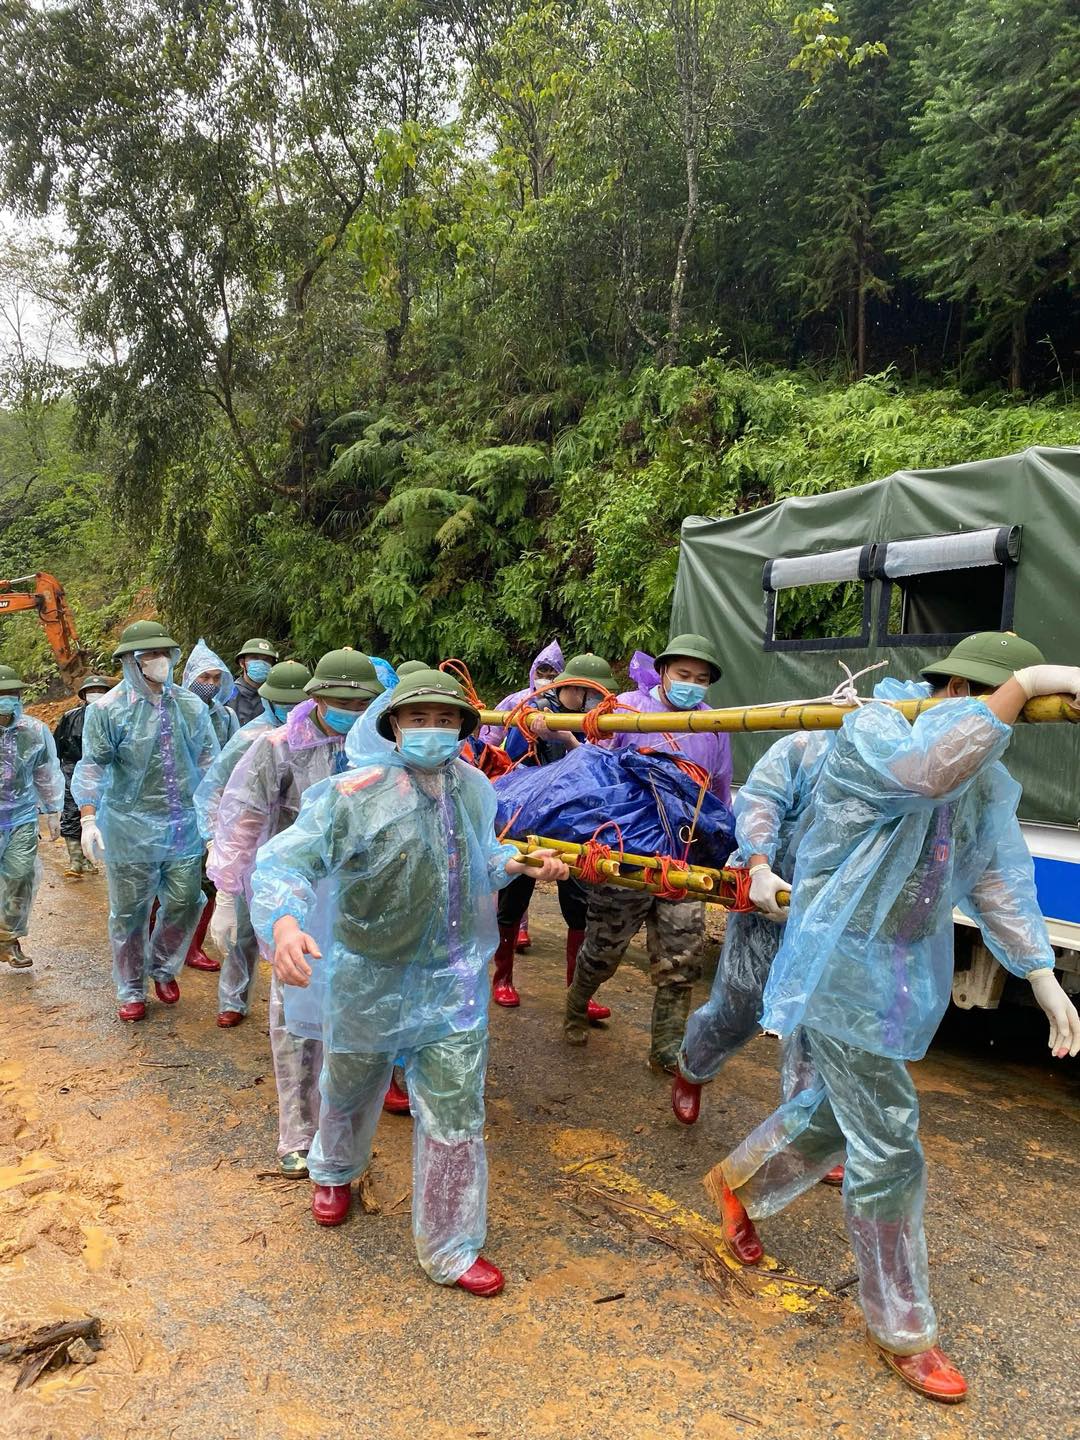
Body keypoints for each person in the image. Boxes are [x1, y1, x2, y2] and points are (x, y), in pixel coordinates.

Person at [705, 634, 1080, 1403]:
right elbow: (923, 774)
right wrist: (1027, 681)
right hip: (841, 968)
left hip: (904, 978)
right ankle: (904, 1329)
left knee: (837, 1116)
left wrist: (1041, 976)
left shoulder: (985, 782)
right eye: (978, 698)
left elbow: (1001, 881)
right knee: (889, 1141)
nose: (986, 719)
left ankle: (737, 1182)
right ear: (946, 691)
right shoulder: (874, 734)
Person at [250, 669, 568, 1295]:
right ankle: (334, 1173)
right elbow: (285, 861)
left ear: (463, 729)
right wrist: (285, 924)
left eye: (446, 720)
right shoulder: (353, 793)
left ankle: (451, 1246)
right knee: (349, 1085)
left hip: (451, 985)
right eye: (417, 718)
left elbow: (480, 859)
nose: (432, 731)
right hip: (368, 977)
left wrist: (519, 862)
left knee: (456, 1111)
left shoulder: (476, 788)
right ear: (393, 726)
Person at [208, 649, 383, 1174]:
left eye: (361, 701)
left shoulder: (381, 748)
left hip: (361, 898)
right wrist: (226, 892)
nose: (350, 708)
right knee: (295, 1018)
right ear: (315, 698)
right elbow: (241, 818)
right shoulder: (277, 748)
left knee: (354, 1016)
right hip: (296, 900)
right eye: (339, 699)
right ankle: (297, 1130)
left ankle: (340, 1128)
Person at [565, 634, 731, 1072]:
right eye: (683, 675)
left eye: (701, 679)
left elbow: (719, 790)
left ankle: (665, 1050)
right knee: (604, 950)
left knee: (682, 960)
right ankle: (577, 1004)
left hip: (685, 854)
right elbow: (594, 771)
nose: (691, 684)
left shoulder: (717, 723)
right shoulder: (626, 709)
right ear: (662, 672)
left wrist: (719, 845)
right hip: (629, 851)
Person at [670, 728, 833, 1127]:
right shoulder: (804, 749)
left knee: (819, 1019)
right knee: (740, 1003)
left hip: (833, 909)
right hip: (770, 895)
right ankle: (693, 1066)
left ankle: (806, 1126)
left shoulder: (900, 763)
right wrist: (760, 868)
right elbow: (761, 801)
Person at [73, 621, 219, 1020]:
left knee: (187, 900)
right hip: (128, 827)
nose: (158, 662)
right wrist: (88, 817)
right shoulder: (106, 711)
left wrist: (218, 819)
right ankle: (131, 989)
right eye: (148, 656)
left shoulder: (190, 705)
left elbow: (211, 763)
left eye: (163, 654)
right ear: (129, 663)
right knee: (128, 912)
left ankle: (162, 965)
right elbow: (92, 767)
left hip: (182, 825)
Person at [494, 653, 616, 1018]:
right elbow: (512, 764)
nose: (601, 702)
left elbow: (599, 765)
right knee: (513, 898)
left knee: (579, 905)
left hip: (574, 822)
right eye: (595, 694)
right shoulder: (533, 711)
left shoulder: (593, 722)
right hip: (526, 820)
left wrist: (571, 739)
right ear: (575, 688)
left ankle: (577, 992)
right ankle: (502, 979)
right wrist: (546, 731)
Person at [193, 659, 312, 1028]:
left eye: (298, 704)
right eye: (283, 703)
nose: (291, 712)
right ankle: (233, 998)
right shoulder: (251, 739)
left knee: (306, 933)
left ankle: (304, 1012)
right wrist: (219, 849)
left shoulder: (320, 739)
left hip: (306, 851)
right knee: (244, 932)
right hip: (255, 851)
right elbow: (214, 791)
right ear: (267, 701)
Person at [0, 666, 64, 968]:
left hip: (20, 817)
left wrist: (53, 810)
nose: (6, 700)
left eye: (11, 694)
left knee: (20, 877)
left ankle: (7, 940)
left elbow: (45, 772)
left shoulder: (34, 732)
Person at [53, 674, 112, 878]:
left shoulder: (113, 716)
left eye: (101, 691)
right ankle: (76, 860)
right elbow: (57, 746)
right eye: (92, 691)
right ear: (84, 694)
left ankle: (90, 858)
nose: (96, 695)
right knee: (71, 813)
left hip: (101, 772)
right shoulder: (70, 717)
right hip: (71, 768)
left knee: (96, 814)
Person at [182, 639, 241, 748]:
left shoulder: (226, 715)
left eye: (217, 678)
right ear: (189, 676)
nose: (211, 683)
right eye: (205, 677)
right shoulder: (177, 712)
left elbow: (234, 754)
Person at [227, 638, 279, 726]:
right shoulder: (229, 695)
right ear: (242, 663)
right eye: (254, 658)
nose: (261, 663)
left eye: (266, 660)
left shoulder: (277, 696)